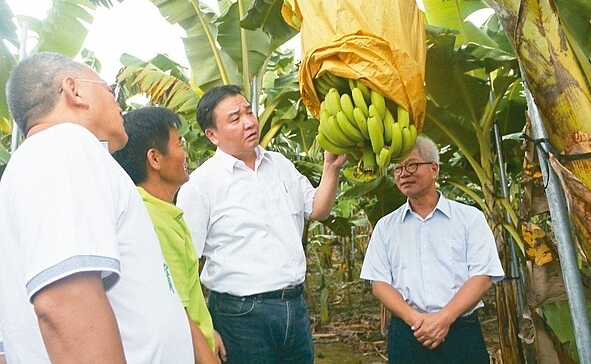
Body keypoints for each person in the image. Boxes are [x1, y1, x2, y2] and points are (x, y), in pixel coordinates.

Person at [0, 52, 193, 362]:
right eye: (110, 90)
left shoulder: (43, 160)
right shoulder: (63, 145)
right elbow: (65, 302)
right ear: (74, 90)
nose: (120, 103)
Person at [176, 84, 347, 364]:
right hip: (241, 315)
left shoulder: (279, 165)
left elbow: (318, 209)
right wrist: (202, 329)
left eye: (249, 112)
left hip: (294, 307)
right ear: (212, 135)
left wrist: (331, 168)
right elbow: (184, 265)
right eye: (235, 118)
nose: (249, 122)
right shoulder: (201, 186)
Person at [360, 135, 504, 364]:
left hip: (460, 332)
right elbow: (379, 283)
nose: (404, 173)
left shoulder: (469, 219)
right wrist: (416, 320)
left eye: (412, 165)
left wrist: (443, 320)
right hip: (408, 333)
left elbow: (483, 276)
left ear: (434, 169)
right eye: (397, 168)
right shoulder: (386, 227)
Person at [113, 106, 226, 364]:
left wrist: (208, 331)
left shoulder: (159, 211)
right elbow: (178, 308)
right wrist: (207, 357)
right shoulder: (153, 221)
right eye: (179, 144)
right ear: (155, 159)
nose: (186, 153)